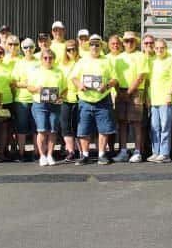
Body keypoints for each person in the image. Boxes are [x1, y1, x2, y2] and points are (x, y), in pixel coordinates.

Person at [72, 34, 118, 165]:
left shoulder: (107, 61)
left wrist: (107, 85)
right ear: (88, 46)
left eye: (97, 44)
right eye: (92, 44)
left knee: (104, 129)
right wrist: (79, 84)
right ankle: (85, 155)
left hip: (102, 99)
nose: (94, 47)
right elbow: (74, 77)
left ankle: (102, 154)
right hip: (85, 100)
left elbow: (114, 79)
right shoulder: (82, 61)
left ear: (101, 46)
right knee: (84, 129)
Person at [111, 31, 149, 163]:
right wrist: (119, 92)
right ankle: (123, 151)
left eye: (132, 41)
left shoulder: (141, 56)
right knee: (122, 123)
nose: (129, 43)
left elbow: (140, 77)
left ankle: (137, 151)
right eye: (126, 41)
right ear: (123, 43)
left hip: (136, 92)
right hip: (120, 92)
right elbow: (114, 78)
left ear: (136, 42)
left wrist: (128, 93)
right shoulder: (118, 58)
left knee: (136, 123)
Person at [27, 48, 66, 166]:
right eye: (45, 58)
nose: (48, 60)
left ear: (54, 59)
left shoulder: (59, 72)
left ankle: (50, 155)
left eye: (50, 58)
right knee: (42, 131)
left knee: (53, 131)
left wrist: (61, 97)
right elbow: (29, 87)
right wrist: (37, 89)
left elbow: (64, 89)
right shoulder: (35, 72)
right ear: (41, 59)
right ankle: (42, 156)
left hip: (54, 105)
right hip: (40, 104)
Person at [147, 38, 172, 162]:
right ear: (154, 49)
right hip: (154, 99)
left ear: (166, 48)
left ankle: (165, 153)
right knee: (154, 127)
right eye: (157, 48)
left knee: (165, 126)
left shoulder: (171, 60)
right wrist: (148, 98)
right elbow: (149, 81)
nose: (159, 50)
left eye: (162, 48)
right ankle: (156, 152)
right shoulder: (152, 61)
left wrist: (170, 94)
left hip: (166, 99)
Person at [11, 38, 39, 161]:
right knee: (21, 128)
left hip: (37, 99)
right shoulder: (18, 63)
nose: (28, 50)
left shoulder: (39, 62)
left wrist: (30, 84)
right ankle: (21, 153)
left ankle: (37, 153)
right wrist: (27, 85)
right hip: (21, 99)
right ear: (22, 49)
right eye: (25, 47)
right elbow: (13, 83)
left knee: (36, 128)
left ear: (34, 48)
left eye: (31, 47)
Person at [58, 39, 80, 162]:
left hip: (80, 97)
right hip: (65, 98)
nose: (71, 51)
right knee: (65, 125)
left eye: (73, 49)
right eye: (68, 49)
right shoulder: (61, 65)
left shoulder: (82, 62)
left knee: (78, 126)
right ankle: (71, 151)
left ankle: (80, 150)